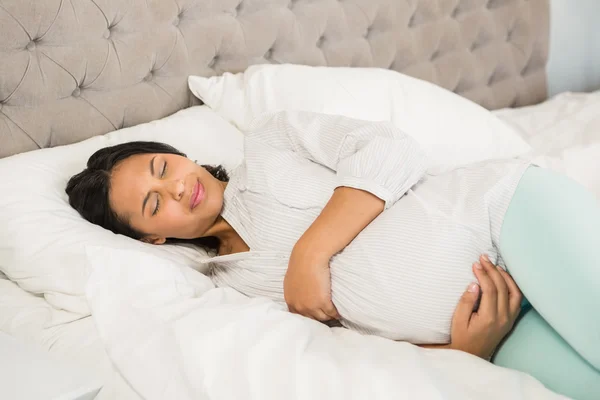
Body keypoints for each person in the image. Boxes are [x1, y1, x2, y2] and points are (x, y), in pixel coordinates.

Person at [67, 111, 600, 399]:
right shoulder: (231, 292)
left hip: (505, 217)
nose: (178, 189)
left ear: (178, 155)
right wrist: (463, 354)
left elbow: (393, 149)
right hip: (492, 326)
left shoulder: (271, 143)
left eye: (164, 169)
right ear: (152, 239)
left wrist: (310, 252)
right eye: (154, 204)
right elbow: (345, 353)